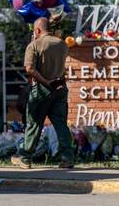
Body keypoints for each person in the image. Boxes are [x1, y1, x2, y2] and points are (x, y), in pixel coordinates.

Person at [11, 17, 74, 169]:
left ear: (37, 30)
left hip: (41, 89)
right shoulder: (62, 44)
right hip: (60, 89)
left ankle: (25, 158)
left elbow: (30, 69)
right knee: (61, 125)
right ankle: (67, 158)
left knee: (34, 123)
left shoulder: (34, 45)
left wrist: (46, 82)